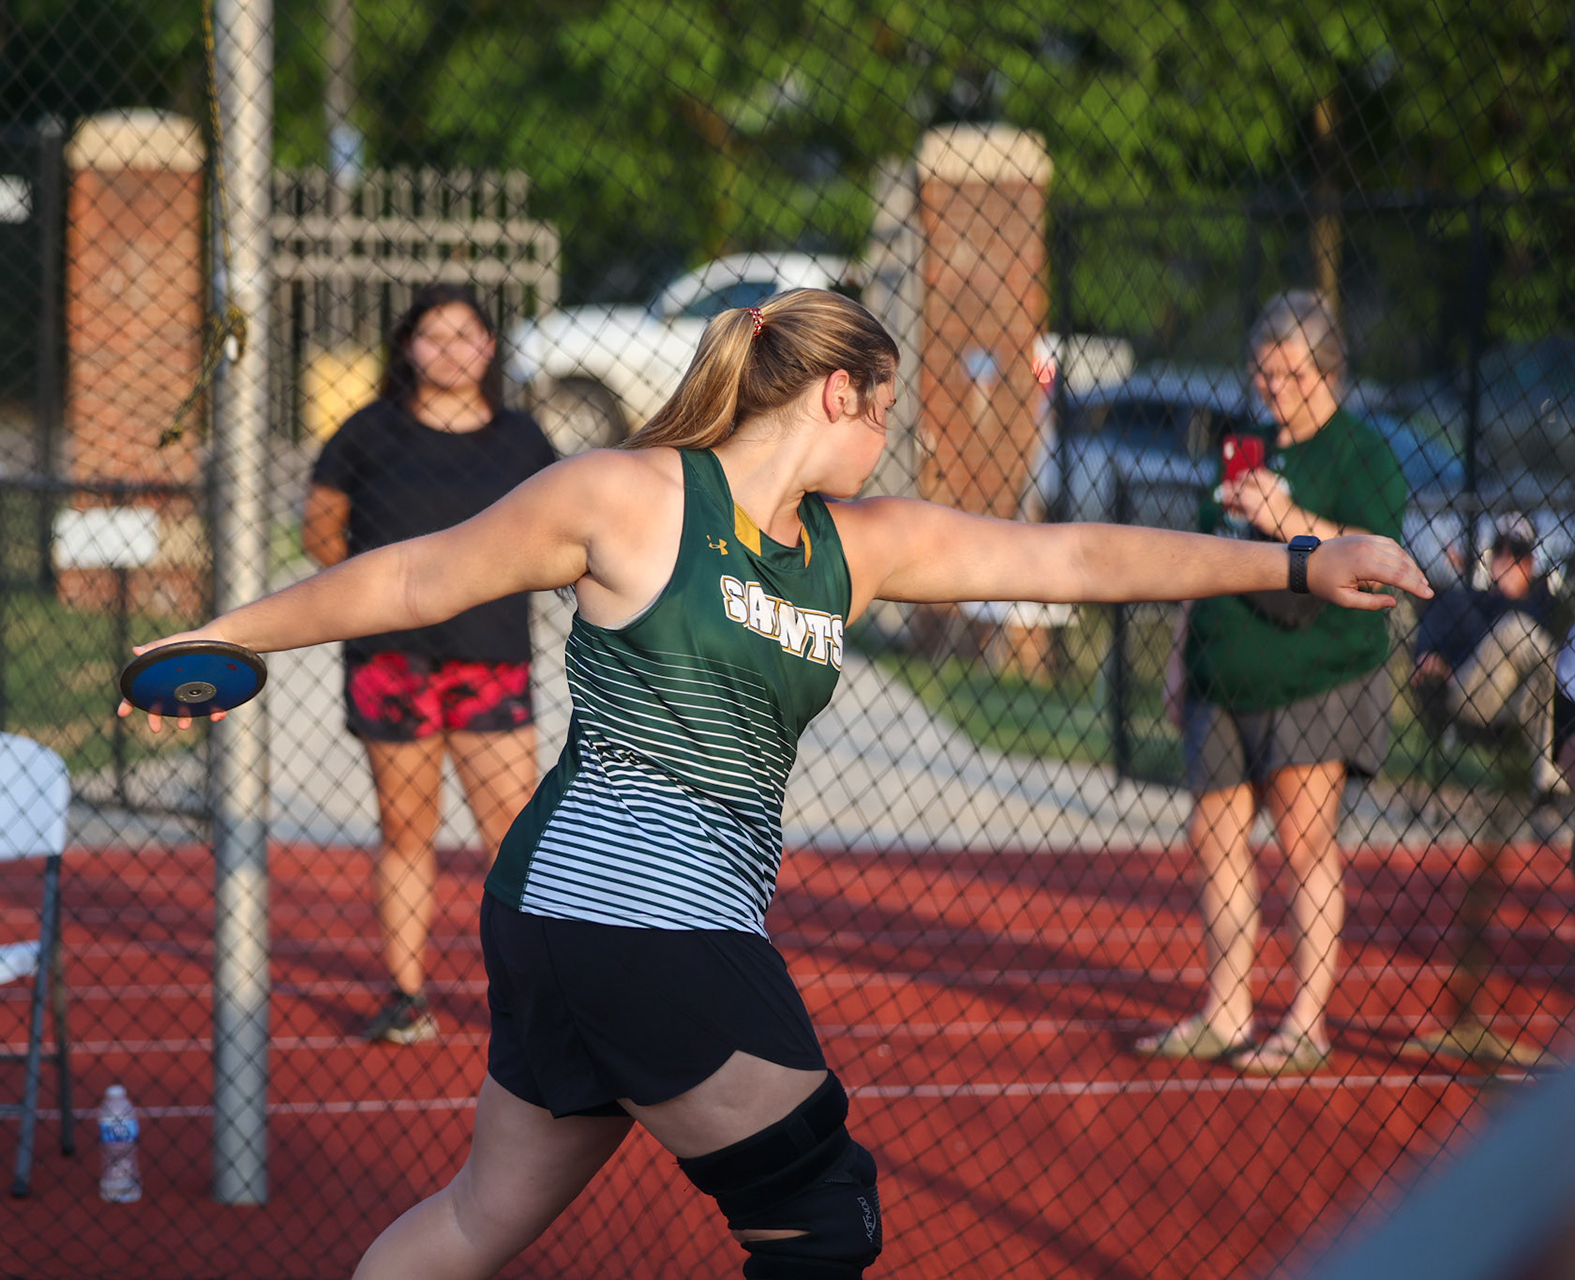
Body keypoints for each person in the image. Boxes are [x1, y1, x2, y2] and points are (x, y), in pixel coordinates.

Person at [122, 288, 1427, 1280]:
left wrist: (1304, 566)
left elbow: (1079, 557)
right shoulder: (632, 497)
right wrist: (225, 636)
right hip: (628, 907)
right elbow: (410, 579)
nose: (891, 439)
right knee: (820, 1207)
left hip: (595, 922)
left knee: (482, 1217)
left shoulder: (853, 550)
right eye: (887, 409)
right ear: (835, 399)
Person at [1137, 290, 1410, 1076]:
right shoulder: (1246, 444)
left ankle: (1305, 1024)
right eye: (1262, 370)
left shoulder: (1360, 452)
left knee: (1303, 842)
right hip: (1225, 669)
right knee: (1215, 836)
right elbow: (1202, 551)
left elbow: (1377, 553)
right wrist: (1182, 652)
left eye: (1288, 372)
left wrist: (1288, 515)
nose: (1271, 386)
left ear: (1328, 370)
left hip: (1314, 676)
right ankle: (1226, 1009)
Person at [302, 284, 558, 1044]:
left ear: (490, 347)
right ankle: (405, 996)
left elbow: (554, 537)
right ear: (407, 347)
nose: (450, 348)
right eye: (433, 335)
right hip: (392, 662)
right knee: (407, 827)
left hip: (492, 659)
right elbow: (321, 534)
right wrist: (387, 595)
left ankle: (536, 996)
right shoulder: (365, 433)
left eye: (467, 334)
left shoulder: (523, 439)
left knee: (516, 835)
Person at [1411, 512, 1560, 794]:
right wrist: (1430, 659)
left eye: (1516, 553)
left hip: (1517, 701)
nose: (1506, 559)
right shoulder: (1468, 599)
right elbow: (1427, 650)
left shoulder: (1542, 604)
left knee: (1533, 660)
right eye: (1500, 550)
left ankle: (1547, 783)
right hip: (1467, 693)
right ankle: (1569, 674)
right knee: (1516, 629)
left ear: (1529, 563)